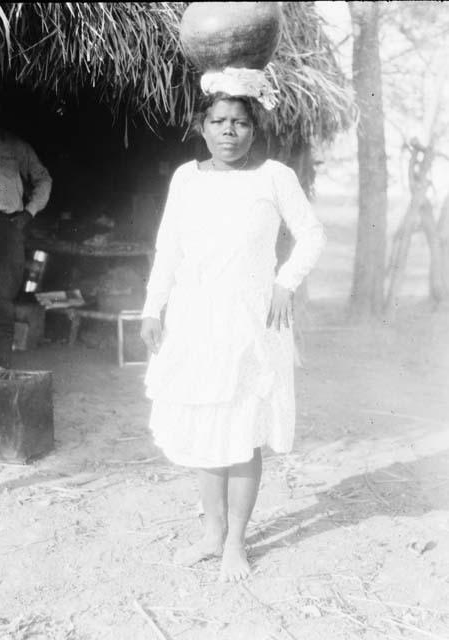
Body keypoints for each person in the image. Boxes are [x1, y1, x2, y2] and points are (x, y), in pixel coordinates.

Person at [141, 68, 326, 582]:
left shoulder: (275, 178)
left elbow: (311, 235)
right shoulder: (185, 178)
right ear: (202, 127)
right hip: (196, 321)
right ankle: (211, 533)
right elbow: (169, 249)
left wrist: (285, 283)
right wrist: (152, 309)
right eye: (218, 121)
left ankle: (237, 544)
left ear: (254, 127)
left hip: (251, 324)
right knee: (207, 429)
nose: (229, 131)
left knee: (242, 433)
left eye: (239, 122)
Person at [0, 101, 52, 368]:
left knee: (2, 298)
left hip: (6, 229)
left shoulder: (16, 148)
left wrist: (29, 212)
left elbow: (43, 179)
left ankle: (3, 369)